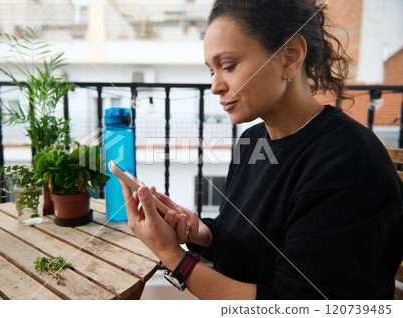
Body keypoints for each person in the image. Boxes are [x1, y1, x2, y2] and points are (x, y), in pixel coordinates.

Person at [120, 0, 403, 299]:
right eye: (211, 71)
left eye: (228, 66)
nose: (215, 86)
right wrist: (202, 234)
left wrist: (172, 255)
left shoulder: (347, 162)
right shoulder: (253, 140)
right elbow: (250, 237)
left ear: (289, 57)